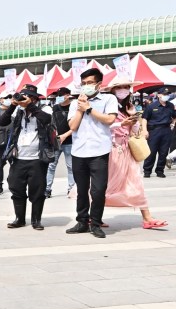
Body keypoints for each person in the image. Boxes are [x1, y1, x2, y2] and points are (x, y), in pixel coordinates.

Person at [103, 79, 168, 229]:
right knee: (104, 185)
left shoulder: (129, 107)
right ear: (112, 90)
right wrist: (121, 123)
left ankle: (147, 217)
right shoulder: (107, 105)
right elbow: (104, 125)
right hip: (111, 149)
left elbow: (134, 130)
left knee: (136, 183)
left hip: (127, 150)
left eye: (126, 87)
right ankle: (92, 215)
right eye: (119, 87)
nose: (123, 90)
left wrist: (133, 118)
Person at [66, 68, 118, 239]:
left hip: (99, 151)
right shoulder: (75, 103)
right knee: (82, 190)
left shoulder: (109, 98)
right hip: (79, 151)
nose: (86, 86)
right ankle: (82, 221)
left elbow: (110, 120)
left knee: (98, 190)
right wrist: (81, 109)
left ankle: (95, 223)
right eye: (84, 83)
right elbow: (72, 126)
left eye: (89, 83)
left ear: (98, 84)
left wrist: (89, 109)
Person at [0, 85, 54, 230]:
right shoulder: (18, 111)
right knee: (16, 188)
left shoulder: (44, 108)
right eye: (22, 96)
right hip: (18, 158)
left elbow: (47, 119)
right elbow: (2, 122)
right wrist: (13, 106)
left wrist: (30, 106)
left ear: (34, 98)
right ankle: (19, 219)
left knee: (37, 191)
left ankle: (36, 220)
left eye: (27, 96)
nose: (23, 99)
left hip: (38, 158)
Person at [45, 87, 75, 198]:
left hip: (70, 141)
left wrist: (65, 135)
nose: (60, 97)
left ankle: (71, 189)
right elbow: (51, 123)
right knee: (51, 166)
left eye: (62, 95)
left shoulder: (73, 107)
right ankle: (47, 189)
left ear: (68, 95)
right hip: (56, 141)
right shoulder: (55, 108)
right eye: (58, 95)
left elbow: (75, 125)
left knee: (71, 166)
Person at [143, 86, 176, 178]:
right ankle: (147, 170)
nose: (166, 96)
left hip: (166, 130)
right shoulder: (151, 106)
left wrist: (172, 124)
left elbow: (174, 116)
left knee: (163, 152)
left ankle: (160, 170)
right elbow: (144, 119)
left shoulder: (170, 105)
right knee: (151, 152)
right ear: (159, 95)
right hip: (154, 130)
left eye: (167, 94)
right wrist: (145, 130)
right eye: (164, 94)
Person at [0, 95, 12, 195]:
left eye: (10, 98)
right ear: (1, 100)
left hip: (12, 143)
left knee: (15, 165)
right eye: (6, 98)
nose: (8, 100)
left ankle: (11, 181)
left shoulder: (16, 111)